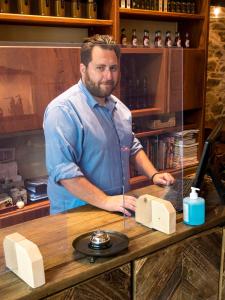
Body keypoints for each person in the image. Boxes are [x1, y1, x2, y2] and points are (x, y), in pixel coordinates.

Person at [43, 35, 174, 215]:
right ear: (83, 69)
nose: (108, 76)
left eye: (113, 68)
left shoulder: (120, 109)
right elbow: (64, 172)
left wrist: (154, 175)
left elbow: (131, 147)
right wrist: (105, 201)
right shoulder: (62, 110)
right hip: (76, 216)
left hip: (117, 208)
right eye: (100, 68)